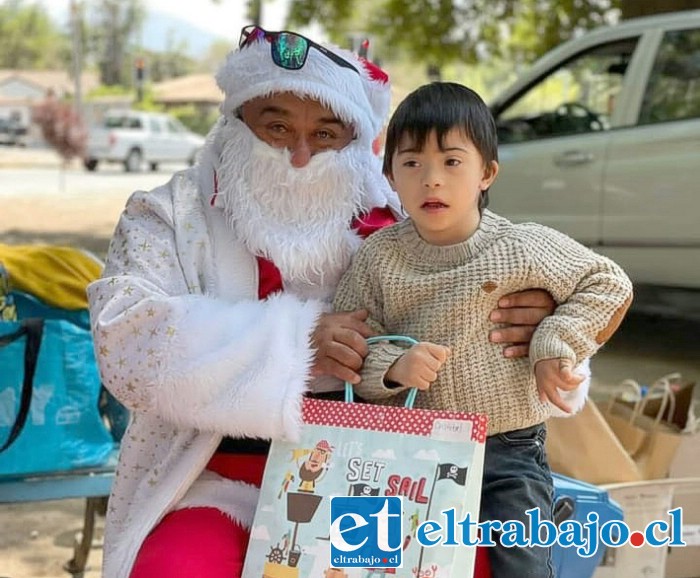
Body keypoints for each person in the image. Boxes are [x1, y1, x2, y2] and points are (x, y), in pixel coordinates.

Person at [87, 27, 558, 578]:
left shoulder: (409, 216)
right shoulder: (167, 213)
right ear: (236, 122)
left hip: (381, 474)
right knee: (176, 569)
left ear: (357, 144)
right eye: (277, 126)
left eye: (326, 134)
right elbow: (124, 336)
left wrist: (534, 322)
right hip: (213, 477)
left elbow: (499, 284)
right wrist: (295, 341)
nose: (301, 155)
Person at [333, 82, 634, 577]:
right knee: (376, 560)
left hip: (507, 450)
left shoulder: (521, 246)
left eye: (452, 162)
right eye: (412, 163)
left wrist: (554, 341)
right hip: (407, 448)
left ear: (486, 173)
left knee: (522, 565)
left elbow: (608, 283)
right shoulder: (378, 258)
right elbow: (354, 350)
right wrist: (391, 367)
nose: (432, 180)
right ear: (389, 175)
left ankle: (537, 515)